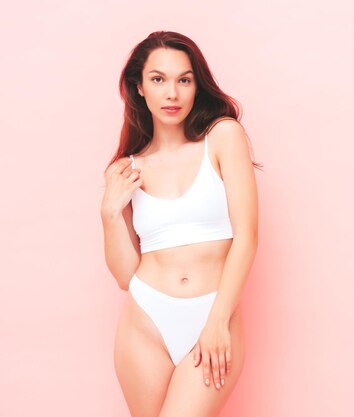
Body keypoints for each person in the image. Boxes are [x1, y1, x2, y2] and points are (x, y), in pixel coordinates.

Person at [100, 31, 260, 416]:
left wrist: (218, 321)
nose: (172, 93)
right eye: (158, 79)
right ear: (139, 87)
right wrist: (109, 214)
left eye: (183, 80)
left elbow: (248, 238)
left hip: (213, 312)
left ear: (195, 85)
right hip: (145, 323)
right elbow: (126, 277)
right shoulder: (127, 169)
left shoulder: (223, 137)